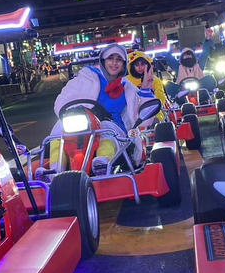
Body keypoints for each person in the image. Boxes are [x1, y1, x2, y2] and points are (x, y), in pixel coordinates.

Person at [44, 43, 155, 177]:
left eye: (119, 60)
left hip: (113, 128)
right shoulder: (85, 78)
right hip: (84, 123)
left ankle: (102, 162)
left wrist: (146, 90)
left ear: (124, 64)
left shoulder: (128, 87)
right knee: (60, 129)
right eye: (110, 58)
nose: (114, 63)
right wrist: (74, 112)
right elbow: (62, 100)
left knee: (107, 128)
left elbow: (145, 119)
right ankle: (55, 169)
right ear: (103, 61)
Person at [163, 28, 216, 101]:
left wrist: (207, 38)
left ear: (193, 56)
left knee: (210, 79)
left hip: (199, 89)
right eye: (185, 55)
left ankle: (206, 98)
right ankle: (176, 101)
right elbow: (169, 57)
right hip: (182, 90)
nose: (187, 57)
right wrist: (165, 45)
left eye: (189, 55)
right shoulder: (178, 67)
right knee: (167, 85)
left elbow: (205, 53)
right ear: (182, 57)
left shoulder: (199, 65)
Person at [127, 50, 167, 122]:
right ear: (132, 66)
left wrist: (152, 88)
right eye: (137, 65)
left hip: (153, 112)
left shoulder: (155, 80)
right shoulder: (126, 81)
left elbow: (161, 100)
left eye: (142, 64)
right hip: (132, 114)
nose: (140, 67)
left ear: (147, 65)